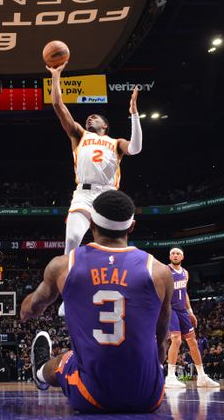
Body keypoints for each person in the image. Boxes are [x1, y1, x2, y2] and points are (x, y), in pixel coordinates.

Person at [21, 190, 171, 413]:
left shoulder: (63, 266)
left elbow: (30, 310)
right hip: (150, 397)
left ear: (91, 222)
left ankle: (41, 371)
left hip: (92, 397)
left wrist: (27, 310)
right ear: (132, 226)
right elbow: (162, 338)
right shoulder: (159, 271)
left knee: (67, 358)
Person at [46, 64, 142, 317]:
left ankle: (124, 291)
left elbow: (137, 148)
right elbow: (59, 107)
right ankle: (68, 295)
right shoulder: (79, 135)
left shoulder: (115, 142)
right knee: (71, 239)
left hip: (109, 196)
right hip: (84, 194)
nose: (90, 118)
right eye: (89, 118)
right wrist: (55, 76)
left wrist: (134, 114)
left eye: (95, 118)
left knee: (114, 248)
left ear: (105, 126)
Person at [164, 248, 219, 388]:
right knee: (176, 340)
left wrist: (190, 311)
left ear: (182, 257)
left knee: (192, 341)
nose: (175, 255)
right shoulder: (165, 271)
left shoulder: (185, 273)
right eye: (173, 253)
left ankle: (202, 377)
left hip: (183, 310)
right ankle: (170, 377)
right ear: (169, 256)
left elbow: (185, 293)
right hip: (170, 309)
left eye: (178, 253)